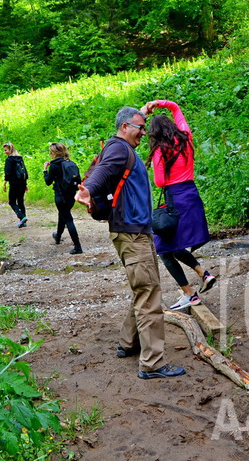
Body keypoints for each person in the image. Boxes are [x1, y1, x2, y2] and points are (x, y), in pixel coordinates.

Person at [76, 106, 186, 380]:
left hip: (137, 231)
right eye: (140, 127)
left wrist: (148, 108)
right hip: (131, 233)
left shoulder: (125, 147)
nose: (144, 132)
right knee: (149, 294)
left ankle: (129, 343)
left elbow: (136, 119)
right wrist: (89, 189)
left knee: (144, 288)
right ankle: (152, 363)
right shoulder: (118, 149)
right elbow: (103, 172)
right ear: (125, 127)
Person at [141, 99, 216, 311]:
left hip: (175, 198)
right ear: (172, 126)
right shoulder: (186, 137)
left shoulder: (159, 151)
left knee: (164, 249)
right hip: (191, 194)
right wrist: (159, 103)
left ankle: (190, 295)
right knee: (172, 245)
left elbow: (159, 182)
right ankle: (204, 274)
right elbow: (176, 108)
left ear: (154, 134)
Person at [43, 142, 83, 254]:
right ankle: (58, 236)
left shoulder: (54, 166)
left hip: (60, 196)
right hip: (71, 195)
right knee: (63, 215)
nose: (50, 154)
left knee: (68, 219)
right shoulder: (69, 163)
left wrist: (45, 170)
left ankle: (78, 246)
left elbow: (48, 182)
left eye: (51, 152)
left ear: (54, 153)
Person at [3, 142, 29, 228]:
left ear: (10, 149)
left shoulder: (9, 160)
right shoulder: (20, 158)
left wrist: (5, 182)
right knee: (20, 201)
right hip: (22, 182)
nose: (5, 152)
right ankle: (23, 222)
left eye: (6, 150)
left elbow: (8, 172)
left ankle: (22, 217)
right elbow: (24, 170)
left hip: (14, 183)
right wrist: (25, 183)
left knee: (12, 202)